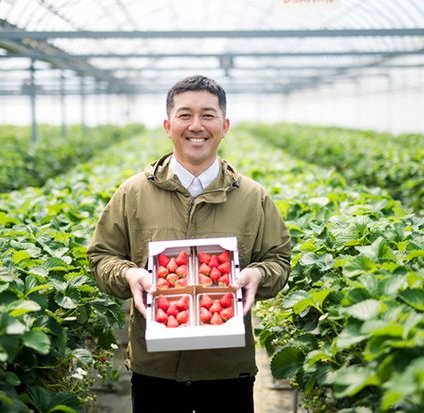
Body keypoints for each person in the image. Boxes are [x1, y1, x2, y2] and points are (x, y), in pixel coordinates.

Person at [87, 75, 291, 413]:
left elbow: (278, 260)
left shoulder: (253, 197)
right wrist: (128, 275)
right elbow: (102, 256)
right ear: (168, 125)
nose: (196, 125)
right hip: (154, 367)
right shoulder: (133, 193)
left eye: (208, 115)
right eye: (185, 115)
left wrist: (257, 275)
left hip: (227, 369)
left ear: (224, 126)